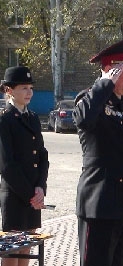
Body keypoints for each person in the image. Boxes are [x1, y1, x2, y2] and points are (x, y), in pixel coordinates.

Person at [73, 37, 123, 266]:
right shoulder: (91, 99)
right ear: (110, 70)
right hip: (100, 206)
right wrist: (103, 84)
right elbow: (84, 120)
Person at [0, 66, 49, 266]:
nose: (29, 92)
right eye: (24, 88)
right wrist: (31, 193)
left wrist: (41, 188)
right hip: (15, 195)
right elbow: (6, 165)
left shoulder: (33, 117)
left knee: (26, 249)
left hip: (32, 196)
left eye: (30, 87)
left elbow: (42, 155)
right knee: (12, 252)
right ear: (9, 90)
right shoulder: (5, 119)